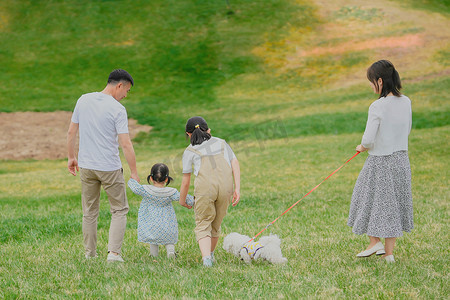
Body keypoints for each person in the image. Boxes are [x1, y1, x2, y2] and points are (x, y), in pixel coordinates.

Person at [67, 69, 140, 262]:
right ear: (119, 85)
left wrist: (71, 157)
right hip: (109, 167)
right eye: (127, 91)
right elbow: (125, 143)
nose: (125, 95)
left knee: (89, 212)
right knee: (119, 209)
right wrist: (134, 172)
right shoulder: (117, 109)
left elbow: (71, 133)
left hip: (86, 166)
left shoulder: (83, 100)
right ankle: (114, 254)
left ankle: (90, 254)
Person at [348, 60, 413, 263]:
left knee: (365, 198)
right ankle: (389, 253)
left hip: (380, 161)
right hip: (402, 160)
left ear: (379, 81)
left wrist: (362, 147)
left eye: (371, 82)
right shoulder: (407, 101)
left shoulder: (377, 106)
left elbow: (368, 139)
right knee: (391, 205)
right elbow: (407, 128)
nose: (370, 86)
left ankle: (374, 241)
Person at [179, 116, 241, 267]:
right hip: (226, 187)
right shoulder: (221, 142)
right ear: (209, 130)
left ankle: (207, 259)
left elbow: (186, 180)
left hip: (205, 189)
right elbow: (234, 162)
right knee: (215, 224)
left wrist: (182, 199)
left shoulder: (190, 151)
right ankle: (211, 254)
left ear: (188, 134)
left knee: (203, 223)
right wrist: (237, 188)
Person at [127, 163, 194, 258]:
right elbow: (183, 197)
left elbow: (135, 188)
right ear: (166, 179)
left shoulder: (145, 190)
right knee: (169, 239)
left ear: (151, 178)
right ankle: (170, 251)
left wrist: (132, 179)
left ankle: (154, 254)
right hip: (166, 222)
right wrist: (194, 201)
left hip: (151, 222)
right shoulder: (171, 192)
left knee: (153, 238)